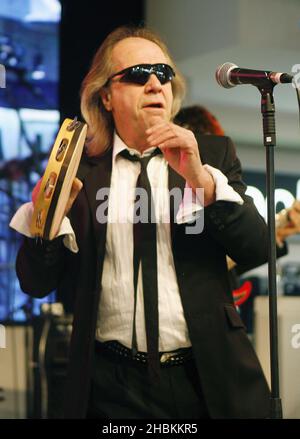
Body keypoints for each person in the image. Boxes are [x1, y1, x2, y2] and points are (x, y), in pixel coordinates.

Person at [11, 26, 272, 419]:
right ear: (106, 96)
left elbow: (256, 248)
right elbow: (35, 283)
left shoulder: (212, 154)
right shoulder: (79, 170)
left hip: (205, 377)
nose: (155, 83)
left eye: (163, 74)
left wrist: (201, 182)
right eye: (137, 74)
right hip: (108, 385)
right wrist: (46, 222)